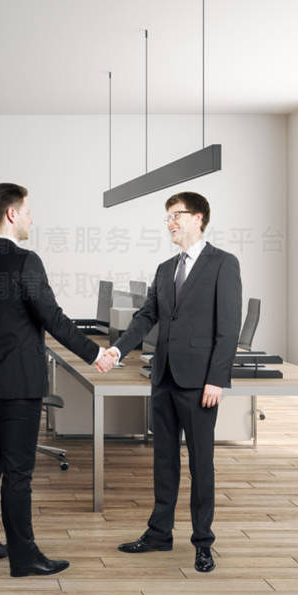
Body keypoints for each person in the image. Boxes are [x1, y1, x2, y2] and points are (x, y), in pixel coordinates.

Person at [0, 182, 117, 577]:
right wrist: (95, 354)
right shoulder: (25, 262)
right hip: (19, 386)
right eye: (27, 210)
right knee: (18, 473)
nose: (32, 218)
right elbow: (54, 318)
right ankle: (24, 557)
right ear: (11, 214)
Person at [111, 191, 241, 573]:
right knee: (164, 460)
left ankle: (203, 542)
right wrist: (118, 351)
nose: (170, 222)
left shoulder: (223, 264)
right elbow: (145, 316)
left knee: (202, 464)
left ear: (198, 218)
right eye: (167, 216)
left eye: (177, 215)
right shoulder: (165, 269)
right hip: (164, 378)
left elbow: (228, 327)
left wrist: (216, 379)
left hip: (200, 383)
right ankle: (159, 533)